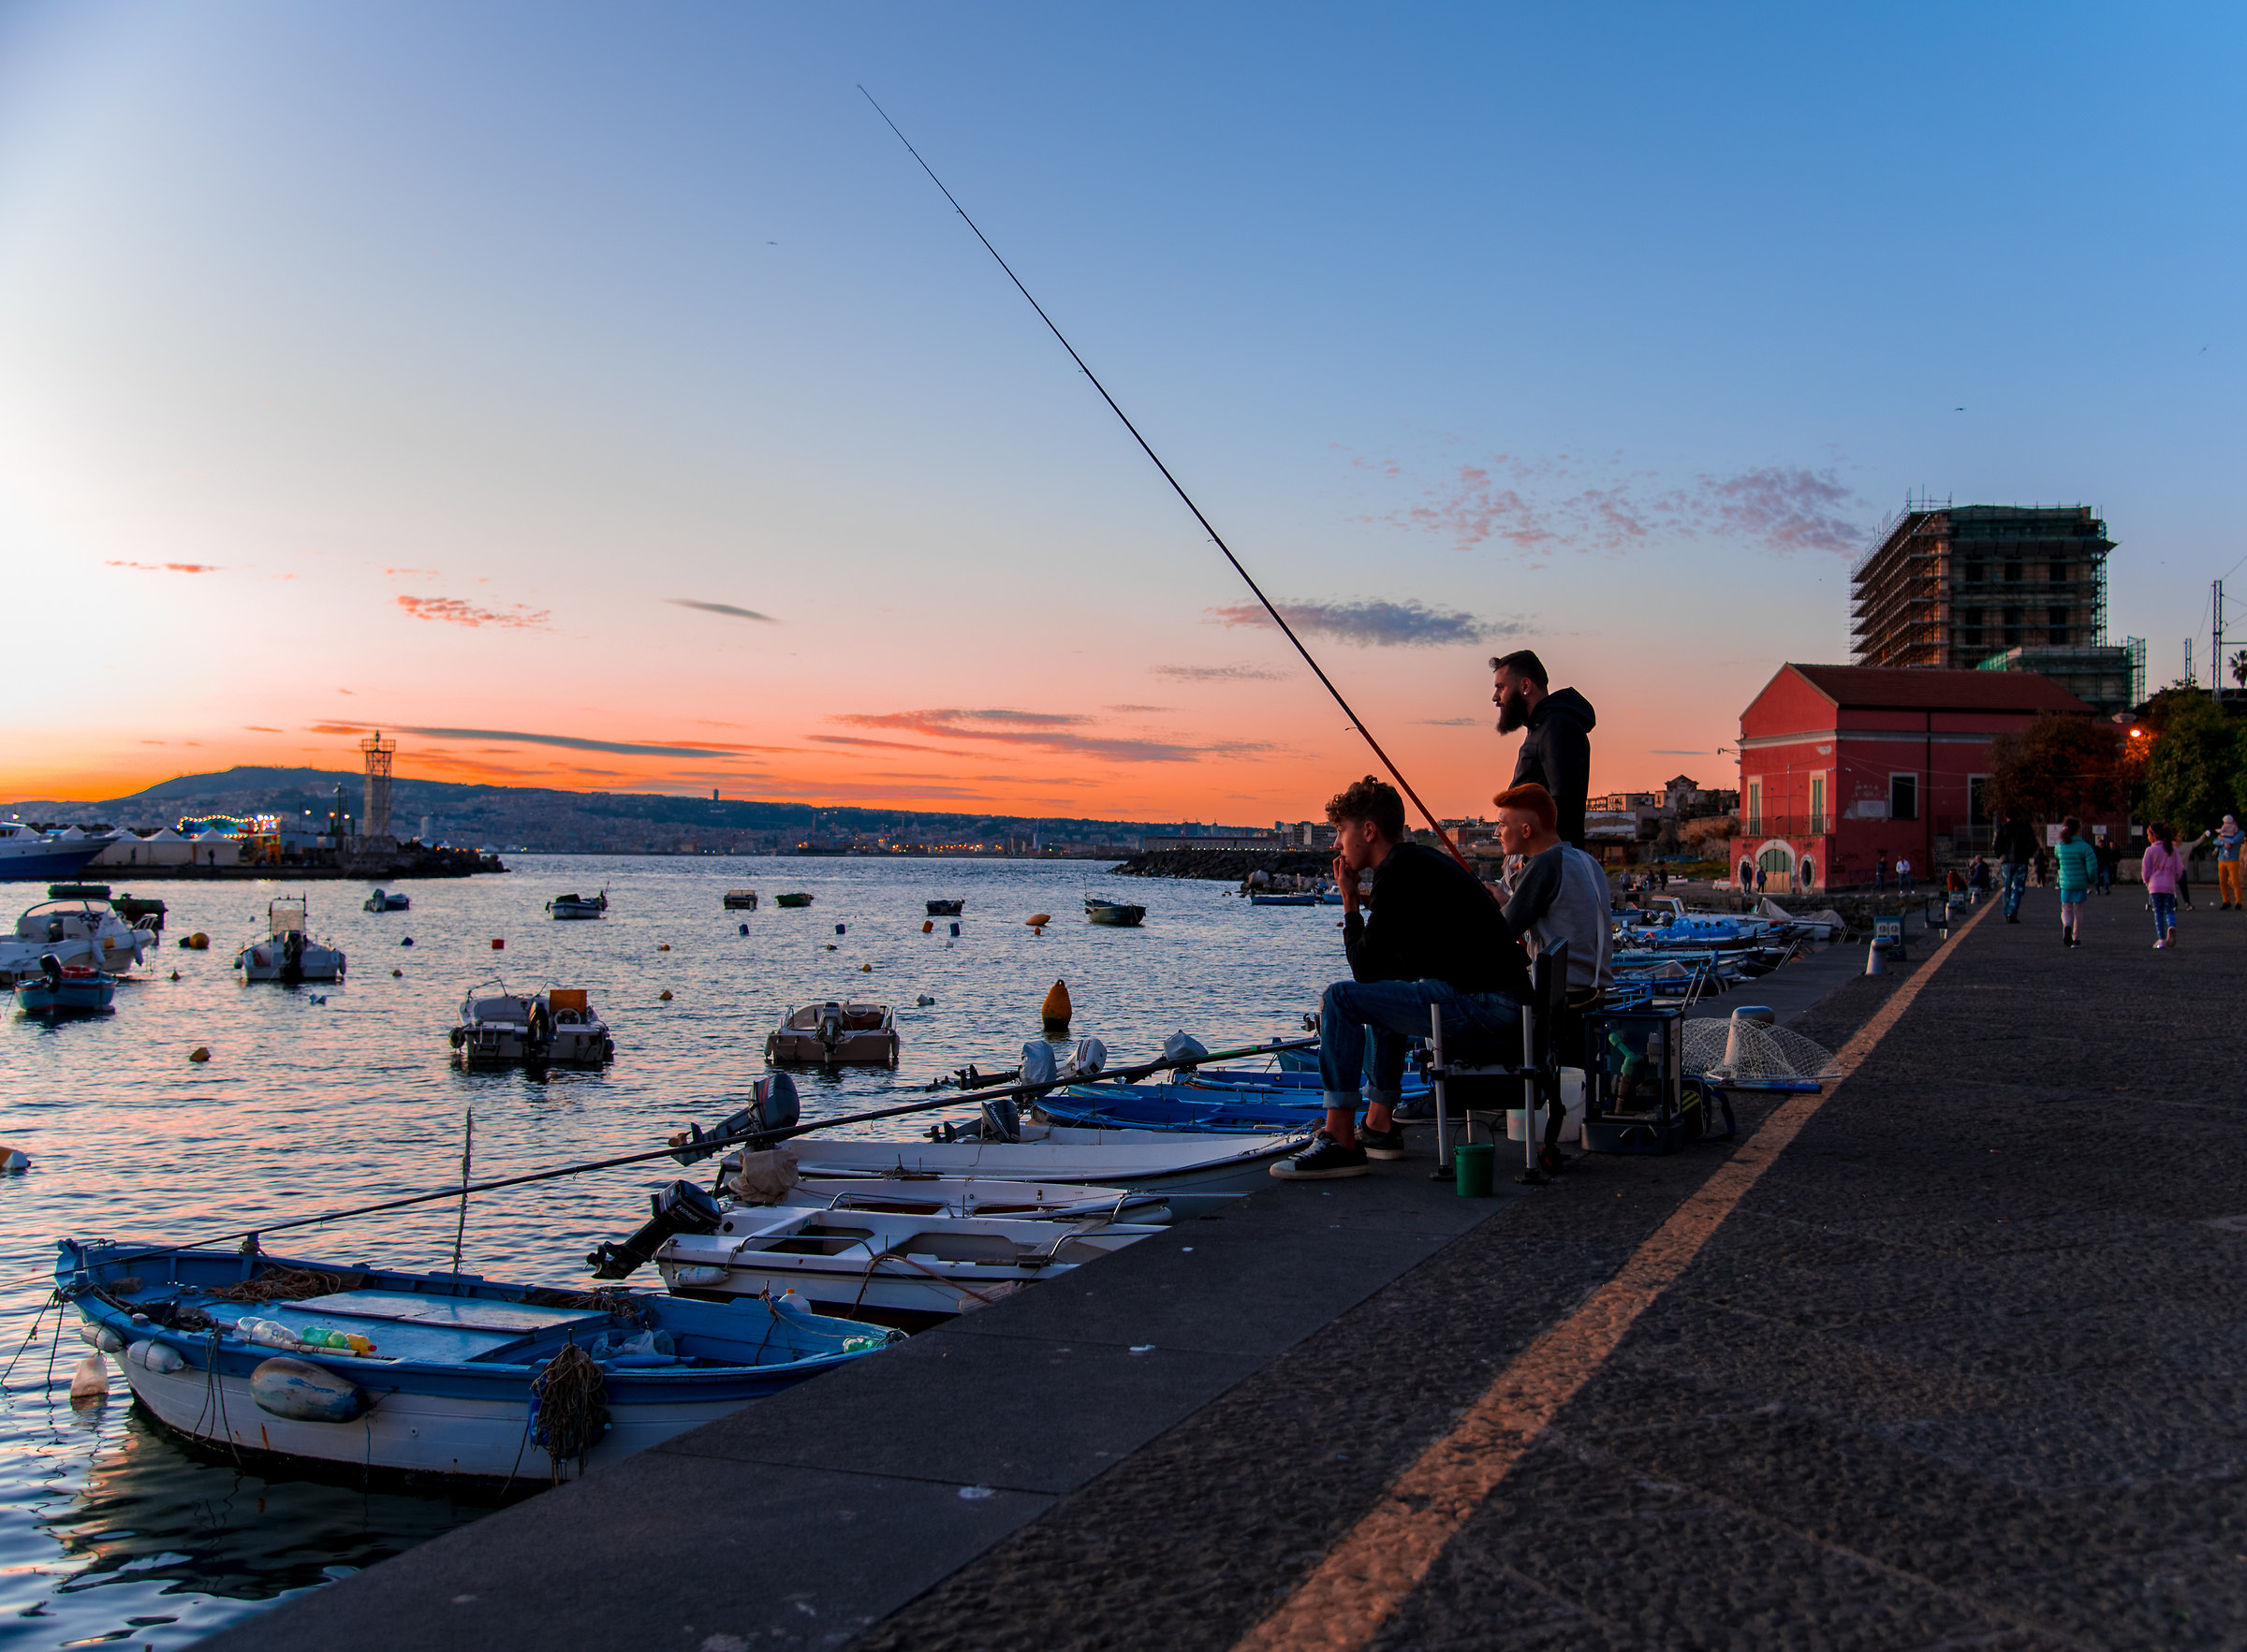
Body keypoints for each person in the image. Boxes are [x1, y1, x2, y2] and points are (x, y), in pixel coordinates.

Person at [1274, 776, 1527, 1179]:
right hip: (1501, 999)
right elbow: (1382, 972)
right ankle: (1378, 1126)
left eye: (1341, 831)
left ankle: (1339, 1139)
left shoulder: (1398, 872)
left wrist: (1350, 903)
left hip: (1487, 1002)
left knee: (1339, 999)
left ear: (1369, 831)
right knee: (1383, 991)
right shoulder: (1414, 866)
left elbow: (1361, 967)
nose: (1336, 844)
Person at [1491, 782, 1613, 1173]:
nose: (1497, 832)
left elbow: (1499, 936)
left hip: (1562, 1001)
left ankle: (1446, 1093)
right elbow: (1557, 915)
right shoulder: (1584, 861)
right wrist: (1508, 900)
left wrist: (1487, 904)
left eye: (1502, 824)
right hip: (1593, 993)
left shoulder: (1543, 866)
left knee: (1457, 997)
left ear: (1526, 831)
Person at [1491, 651, 1596, 850]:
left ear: (1525, 686)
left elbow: (1564, 804)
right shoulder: (1541, 727)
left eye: (1501, 687)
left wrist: (1542, 860)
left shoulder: (1557, 727)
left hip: (1548, 860)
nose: (1495, 697)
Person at [2140, 822, 2202, 949]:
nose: (2147, 837)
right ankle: (2172, 926)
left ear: (2154, 836)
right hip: (2169, 886)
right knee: (2169, 910)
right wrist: (2174, 880)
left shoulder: (2150, 850)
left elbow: (2145, 870)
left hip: (2155, 886)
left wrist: (2147, 882)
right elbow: (2180, 869)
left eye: (2148, 835)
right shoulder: (2172, 850)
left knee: (2158, 912)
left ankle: (2161, 939)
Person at [2052, 817, 2097, 948]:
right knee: (2079, 910)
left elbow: (2058, 863)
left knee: (2066, 909)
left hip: (2065, 882)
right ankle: (2076, 938)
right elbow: (2092, 867)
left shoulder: (2059, 847)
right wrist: (2091, 879)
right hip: (2080, 882)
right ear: (2078, 830)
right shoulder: (2085, 847)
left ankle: (2066, 926)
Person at [1992, 809, 2037, 923]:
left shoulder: (2003, 828)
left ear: (2006, 817)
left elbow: (1997, 844)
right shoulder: (2025, 827)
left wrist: (1999, 854)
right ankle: (2012, 912)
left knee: (2007, 887)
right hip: (2021, 861)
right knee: (2017, 888)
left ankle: (2005, 911)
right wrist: (2028, 854)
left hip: (2006, 861)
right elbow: (2033, 843)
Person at [2216, 814, 2246, 910]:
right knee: (2222, 882)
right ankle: (2226, 901)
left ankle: (2238, 902)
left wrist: (2223, 839)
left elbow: (2234, 840)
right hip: (2221, 859)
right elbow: (2215, 841)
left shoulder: (2240, 833)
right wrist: (2223, 841)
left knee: (2235, 882)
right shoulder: (2223, 831)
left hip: (2232, 859)